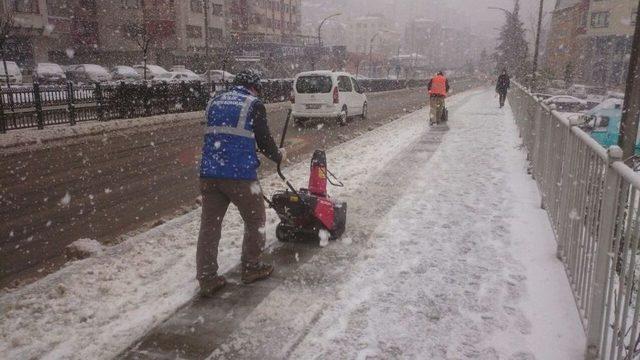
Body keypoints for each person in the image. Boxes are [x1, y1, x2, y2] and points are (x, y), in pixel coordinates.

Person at [197, 70, 285, 297]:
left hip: (209, 173)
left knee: (210, 227)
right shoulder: (252, 104)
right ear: (254, 87)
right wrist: (278, 156)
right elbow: (264, 141)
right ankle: (251, 267)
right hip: (240, 175)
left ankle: (207, 278)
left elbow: (222, 135)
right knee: (256, 219)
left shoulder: (214, 101)